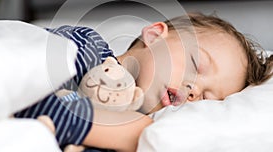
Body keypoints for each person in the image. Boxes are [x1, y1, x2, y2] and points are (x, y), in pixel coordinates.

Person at [15, 12, 273, 152]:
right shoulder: (86, 48)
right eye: (196, 65)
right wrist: (131, 130)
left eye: (207, 98)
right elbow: (23, 92)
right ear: (154, 35)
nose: (194, 91)